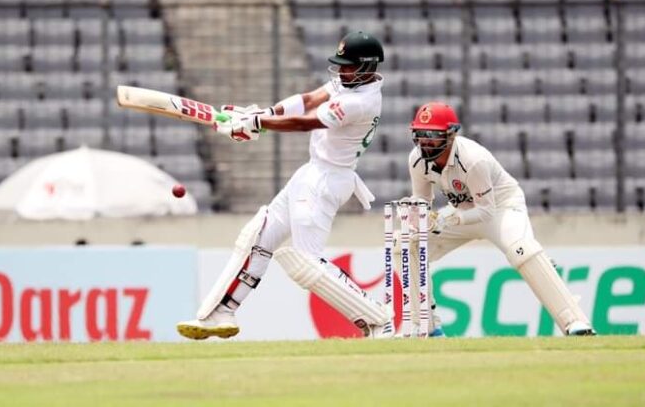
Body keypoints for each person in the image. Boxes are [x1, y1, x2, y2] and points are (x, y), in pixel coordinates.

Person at [177, 31, 394, 340]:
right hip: (312, 173)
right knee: (257, 237)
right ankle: (220, 312)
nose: (342, 71)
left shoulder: (362, 101)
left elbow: (307, 121)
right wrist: (263, 113)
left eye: (349, 66)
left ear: (368, 67)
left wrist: (256, 124)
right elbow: (306, 101)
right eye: (341, 65)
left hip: (327, 179)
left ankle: (378, 319)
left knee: (306, 261)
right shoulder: (349, 84)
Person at [395, 101, 595, 336]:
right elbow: (422, 198)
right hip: (460, 211)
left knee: (522, 249)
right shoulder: (416, 159)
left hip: (501, 209)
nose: (425, 143)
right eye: (420, 135)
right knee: (405, 242)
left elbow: (486, 211)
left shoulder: (473, 159)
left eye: (432, 136)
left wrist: (448, 219)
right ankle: (427, 329)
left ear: (450, 136)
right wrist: (416, 212)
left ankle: (575, 322)